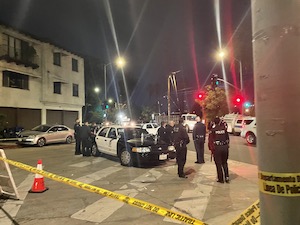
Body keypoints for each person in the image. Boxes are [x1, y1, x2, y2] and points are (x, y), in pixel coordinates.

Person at [211, 116, 230, 183]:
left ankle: (220, 179)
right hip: (225, 147)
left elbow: (211, 140)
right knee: (224, 162)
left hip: (217, 148)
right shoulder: (224, 129)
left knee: (218, 164)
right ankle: (227, 177)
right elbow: (228, 139)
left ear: (214, 122)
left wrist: (212, 149)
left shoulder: (213, 130)